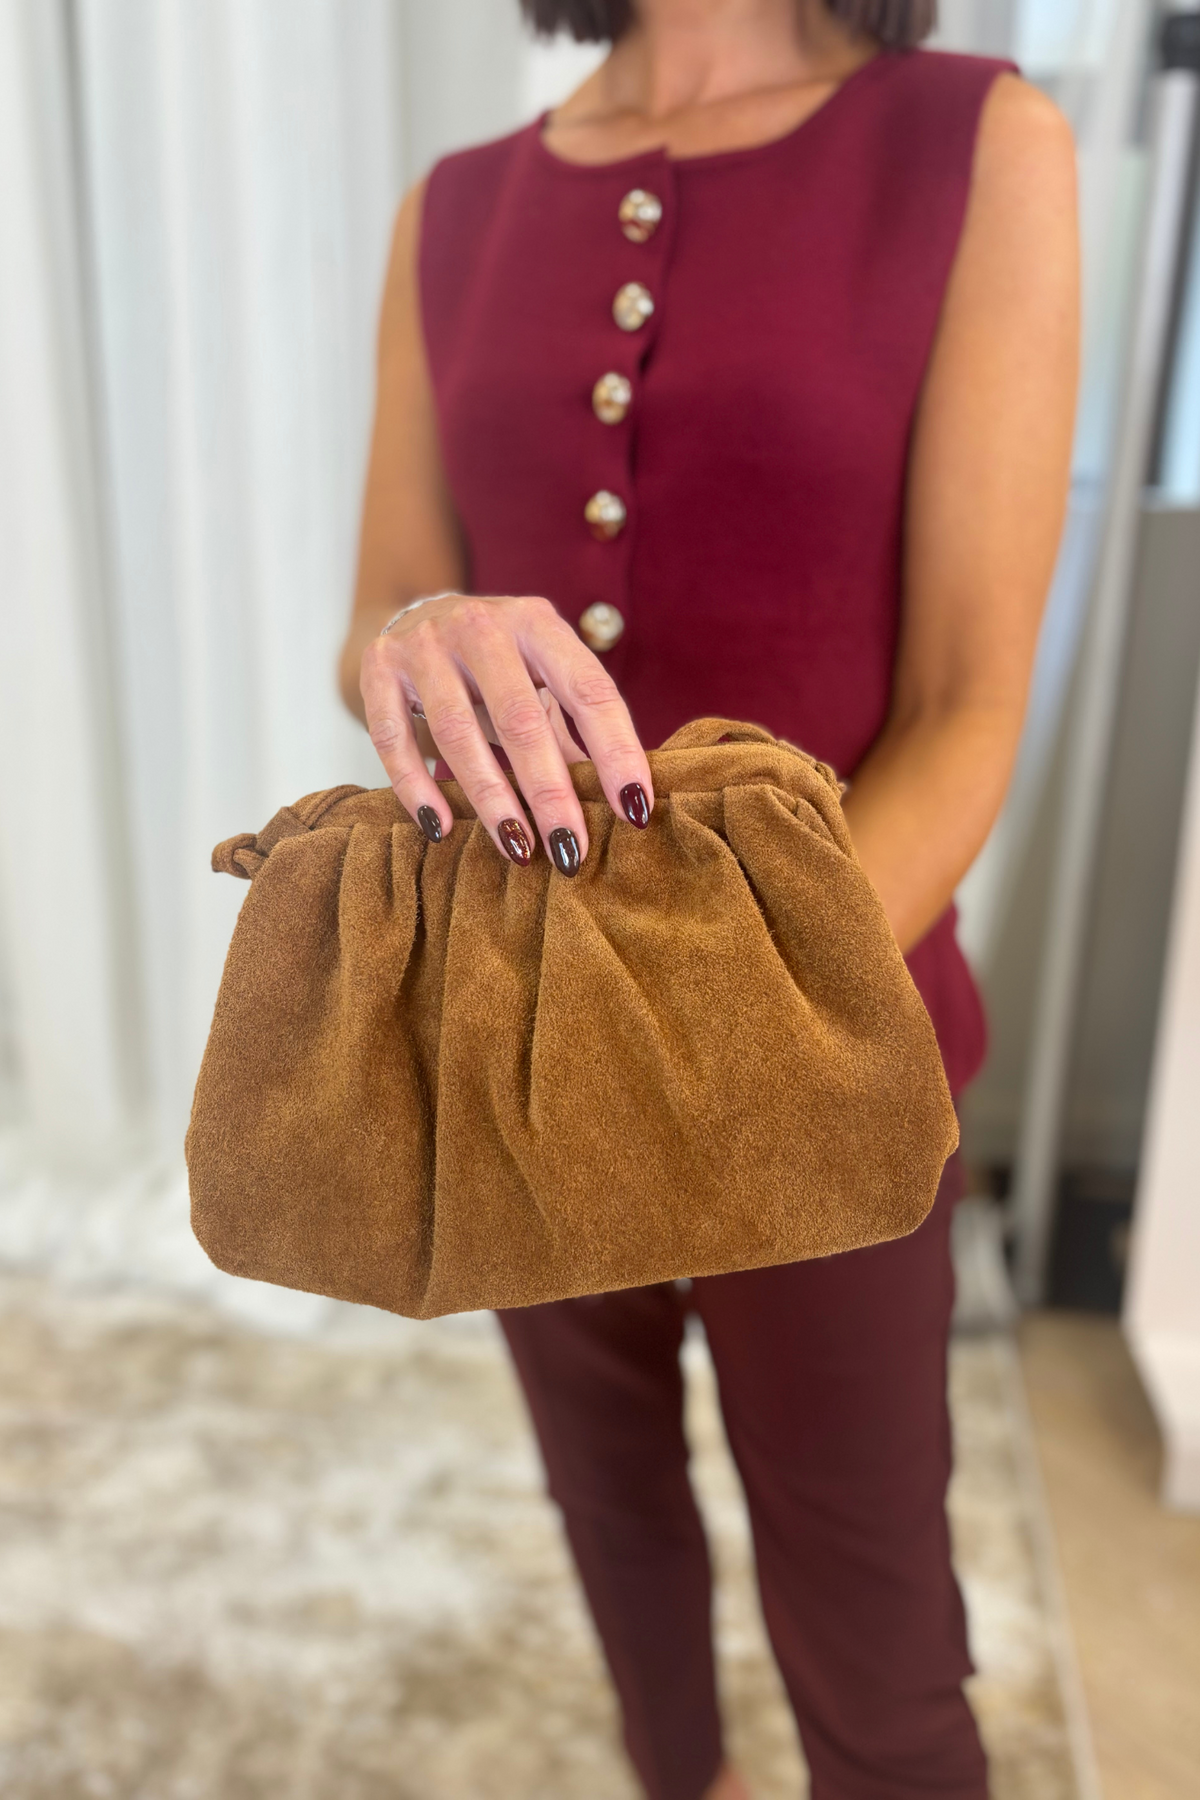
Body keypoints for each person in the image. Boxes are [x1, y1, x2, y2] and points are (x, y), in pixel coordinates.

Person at [339, 0, 1078, 1792]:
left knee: (884, 1661)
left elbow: (968, 707)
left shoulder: (979, 142)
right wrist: (416, 640)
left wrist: (713, 1031)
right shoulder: (456, 206)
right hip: (516, 1031)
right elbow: (384, 610)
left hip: (831, 1051)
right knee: (615, 1533)